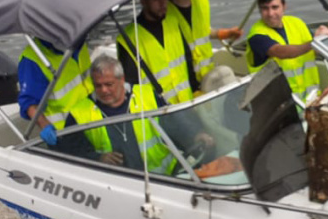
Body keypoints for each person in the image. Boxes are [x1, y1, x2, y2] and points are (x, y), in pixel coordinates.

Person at [58, 56, 213, 173]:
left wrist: (195, 134)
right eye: (98, 86)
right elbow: (70, 153)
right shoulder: (79, 114)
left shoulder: (147, 95)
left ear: (122, 80)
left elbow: (175, 122)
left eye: (109, 84)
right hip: (119, 187)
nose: (104, 90)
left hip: (167, 178)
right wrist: (97, 159)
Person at [245, 0, 328, 102]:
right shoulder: (256, 35)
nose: (270, 13)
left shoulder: (297, 23)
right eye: (265, 8)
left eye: (275, 7)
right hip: (278, 107)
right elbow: (280, 51)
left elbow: (315, 48)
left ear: (284, 7)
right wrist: (314, 42)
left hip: (311, 100)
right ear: (260, 10)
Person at [117, 0, 198, 105]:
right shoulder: (129, 39)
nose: (162, 4)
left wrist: (196, 90)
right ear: (143, 1)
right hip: (159, 111)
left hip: (187, 103)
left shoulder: (173, 22)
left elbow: (188, 60)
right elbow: (132, 85)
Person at [167, 0, 241, 85]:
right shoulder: (164, 10)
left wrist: (224, 34)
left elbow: (203, 31)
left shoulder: (201, 0)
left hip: (207, 74)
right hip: (183, 80)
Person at [18, 37, 93, 145]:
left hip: (93, 118)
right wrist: (45, 126)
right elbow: (30, 104)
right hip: (66, 133)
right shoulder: (33, 60)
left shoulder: (78, 41)